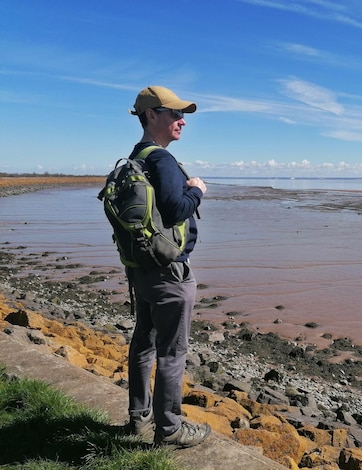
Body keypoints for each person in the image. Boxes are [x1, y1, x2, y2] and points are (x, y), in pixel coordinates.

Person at [125, 85, 210, 448]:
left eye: (183, 115)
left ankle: (139, 418)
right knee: (172, 352)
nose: (182, 121)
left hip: (140, 268)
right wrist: (197, 189)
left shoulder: (136, 155)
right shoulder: (161, 159)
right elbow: (176, 209)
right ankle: (171, 429)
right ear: (151, 115)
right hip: (169, 272)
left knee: (143, 342)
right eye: (175, 113)